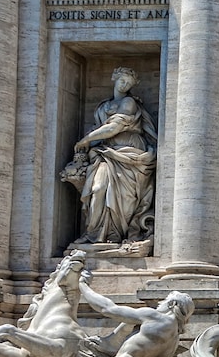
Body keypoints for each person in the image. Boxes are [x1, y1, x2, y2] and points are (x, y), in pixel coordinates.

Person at [66, 67, 157, 246]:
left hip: (129, 154)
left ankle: (114, 235)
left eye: (129, 83)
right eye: (122, 81)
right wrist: (90, 143)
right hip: (106, 153)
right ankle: (94, 234)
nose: (125, 85)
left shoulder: (129, 102)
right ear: (114, 79)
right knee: (98, 188)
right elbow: (99, 128)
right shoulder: (103, 106)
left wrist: (87, 139)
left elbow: (113, 128)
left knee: (124, 198)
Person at [78, 281, 192, 357]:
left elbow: (108, 309)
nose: (159, 304)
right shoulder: (174, 339)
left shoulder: (155, 317)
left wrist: (82, 285)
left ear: (172, 304)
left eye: (164, 301)